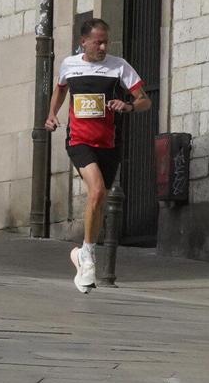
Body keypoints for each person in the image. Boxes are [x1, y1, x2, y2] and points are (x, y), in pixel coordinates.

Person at [44, 17, 150, 293]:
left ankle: (82, 253)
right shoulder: (70, 64)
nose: (103, 47)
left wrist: (127, 106)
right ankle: (89, 254)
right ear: (84, 42)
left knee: (100, 198)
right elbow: (60, 89)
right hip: (79, 141)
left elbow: (144, 100)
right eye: (98, 42)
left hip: (110, 144)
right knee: (98, 190)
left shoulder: (119, 67)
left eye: (106, 42)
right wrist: (51, 115)